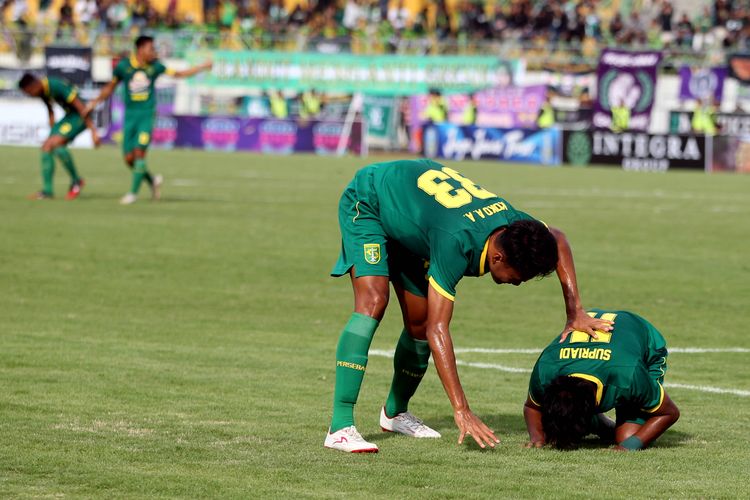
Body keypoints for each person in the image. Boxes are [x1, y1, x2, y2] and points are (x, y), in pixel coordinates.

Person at [324, 159, 612, 453]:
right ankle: (340, 427)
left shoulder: (514, 223)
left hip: (414, 218)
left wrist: (575, 310)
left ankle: (395, 413)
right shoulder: (456, 242)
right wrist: (461, 408)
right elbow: (441, 329)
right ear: (498, 257)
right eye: (519, 276)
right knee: (374, 301)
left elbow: (558, 238)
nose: (519, 283)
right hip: (371, 200)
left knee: (419, 323)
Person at [524, 309, 680, 451]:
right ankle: (600, 425)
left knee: (627, 438)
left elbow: (669, 413)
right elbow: (532, 407)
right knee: (559, 425)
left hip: (643, 341)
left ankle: (597, 423)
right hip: (609, 352)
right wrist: (537, 436)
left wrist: (629, 446)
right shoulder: (547, 367)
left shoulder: (629, 374)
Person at [84, 35, 212, 205]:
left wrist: (202, 67)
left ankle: (132, 193)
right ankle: (152, 181)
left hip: (146, 115)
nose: (154, 52)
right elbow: (110, 87)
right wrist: (94, 102)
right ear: (140, 49)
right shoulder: (124, 67)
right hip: (130, 117)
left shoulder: (156, 67)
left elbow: (179, 74)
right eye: (151, 49)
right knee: (129, 159)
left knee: (139, 153)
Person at [18, 73, 101, 200]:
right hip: (69, 117)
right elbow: (50, 109)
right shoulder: (42, 90)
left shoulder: (55, 85)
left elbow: (80, 105)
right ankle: (47, 192)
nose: (30, 95)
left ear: (33, 86)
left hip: (80, 115)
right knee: (46, 147)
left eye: (29, 92)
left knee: (55, 144)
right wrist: (52, 131)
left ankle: (76, 181)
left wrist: (93, 131)